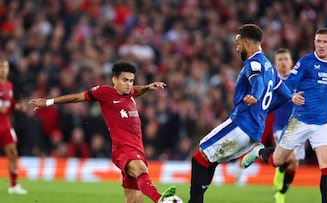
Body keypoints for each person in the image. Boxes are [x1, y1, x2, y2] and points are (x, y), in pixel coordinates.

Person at [187, 24, 305, 203]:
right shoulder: (270, 68)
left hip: (241, 124)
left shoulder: (254, 62)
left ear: (247, 43)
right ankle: (260, 152)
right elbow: (285, 94)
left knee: (199, 156)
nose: (236, 47)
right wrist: (266, 110)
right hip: (254, 132)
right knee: (209, 160)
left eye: (238, 43)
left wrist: (255, 97)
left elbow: (257, 82)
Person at [29, 62, 176, 203]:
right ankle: (161, 199)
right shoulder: (104, 92)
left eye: (131, 80)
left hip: (138, 149)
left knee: (135, 199)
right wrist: (49, 102)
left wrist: (148, 87)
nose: (129, 84)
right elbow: (77, 97)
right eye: (125, 80)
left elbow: (136, 90)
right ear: (115, 79)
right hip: (123, 149)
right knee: (141, 169)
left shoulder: (130, 93)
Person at [244, 28, 327, 203]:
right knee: (277, 161)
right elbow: (289, 82)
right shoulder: (306, 62)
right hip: (300, 121)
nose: (321, 45)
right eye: (318, 41)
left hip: (324, 123)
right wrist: (292, 96)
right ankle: (259, 151)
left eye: (325, 42)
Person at [270, 48, 305, 203]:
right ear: (275, 63)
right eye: (280, 60)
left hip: (298, 126)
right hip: (280, 127)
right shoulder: (272, 81)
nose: (283, 62)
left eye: (286, 59)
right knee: (290, 157)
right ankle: (280, 170)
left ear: (291, 62)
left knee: (294, 164)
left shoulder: (299, 80)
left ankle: (281, 192)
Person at [0, 57, 28, 194]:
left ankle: (14, 185)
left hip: (5, 124)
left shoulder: (9, 85)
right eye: (1, 67)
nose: (3, 70)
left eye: (5, 67)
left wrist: (17, 106)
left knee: (12, 153)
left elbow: (9, 102)